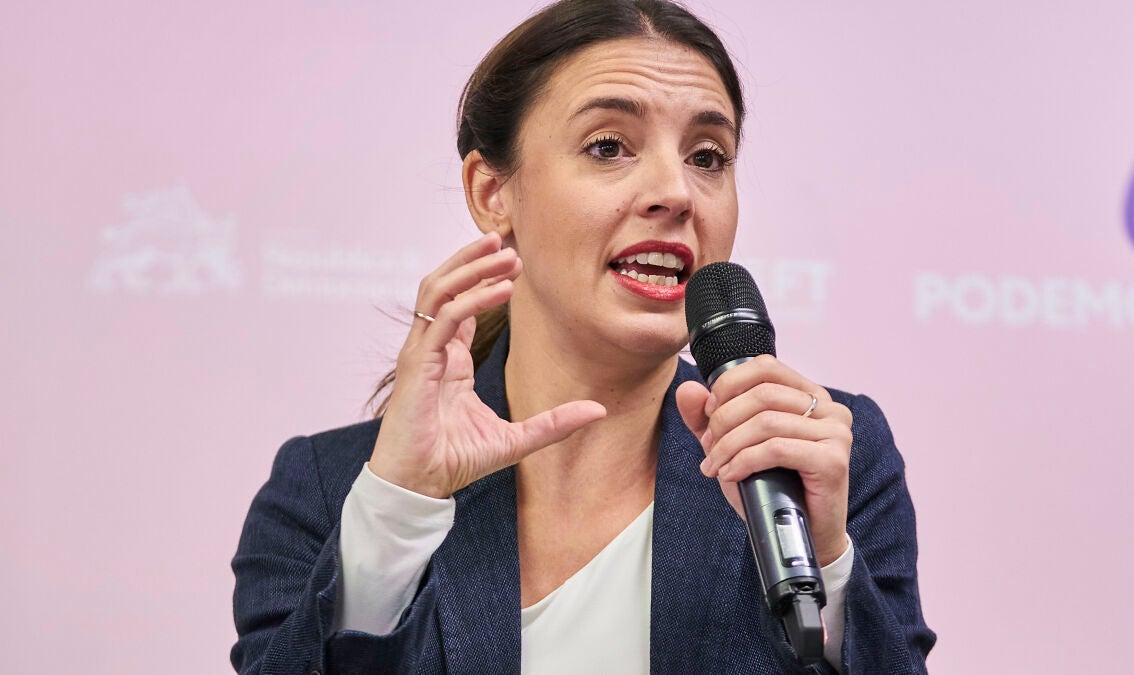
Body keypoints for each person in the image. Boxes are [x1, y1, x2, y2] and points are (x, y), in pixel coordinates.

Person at [230, 0, 936, 672]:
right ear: (491, 193)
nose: (676, 192)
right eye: (608, 147)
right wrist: (396, 512)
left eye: (707, 156)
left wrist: (826, 566)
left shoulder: (821, 459)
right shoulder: (330, 491)